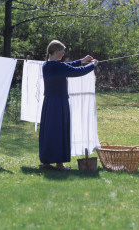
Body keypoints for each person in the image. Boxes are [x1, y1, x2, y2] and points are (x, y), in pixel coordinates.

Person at [39, 40, 98, 170]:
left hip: (49, 103)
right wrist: (92, 65)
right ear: (56, 51)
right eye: (62, 51)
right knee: (59, 132)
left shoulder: (47, 65)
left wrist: (82, 60)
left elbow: (68, 66)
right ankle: (59, 164)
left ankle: (46, 162)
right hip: (58, 103)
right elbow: (78, 72)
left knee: (50, 132)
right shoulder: (57, 67)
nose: (63, 53)